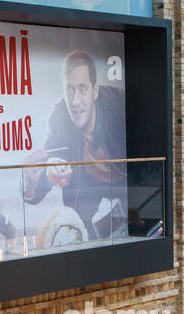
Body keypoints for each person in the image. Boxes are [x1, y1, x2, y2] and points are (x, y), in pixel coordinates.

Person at [23, 50, 128, 240]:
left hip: (127, 185)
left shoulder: (118, 103)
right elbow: (48, 172)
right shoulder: (59, 119)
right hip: (88, 194)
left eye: (82, 89)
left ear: (95, 91)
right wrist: (29, 182)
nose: (75, 101)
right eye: (69, 91)